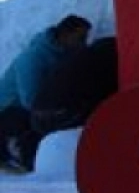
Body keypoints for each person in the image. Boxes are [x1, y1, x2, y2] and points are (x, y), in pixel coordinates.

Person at [0, 15, 92, 173]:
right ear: (65, 35)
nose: (84, 43)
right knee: (38, 123)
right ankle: (16, 156)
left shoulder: (65, 54)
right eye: (80, 38)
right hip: (9, 110)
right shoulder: (32, 58)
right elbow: (29, 101)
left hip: (34, 105)